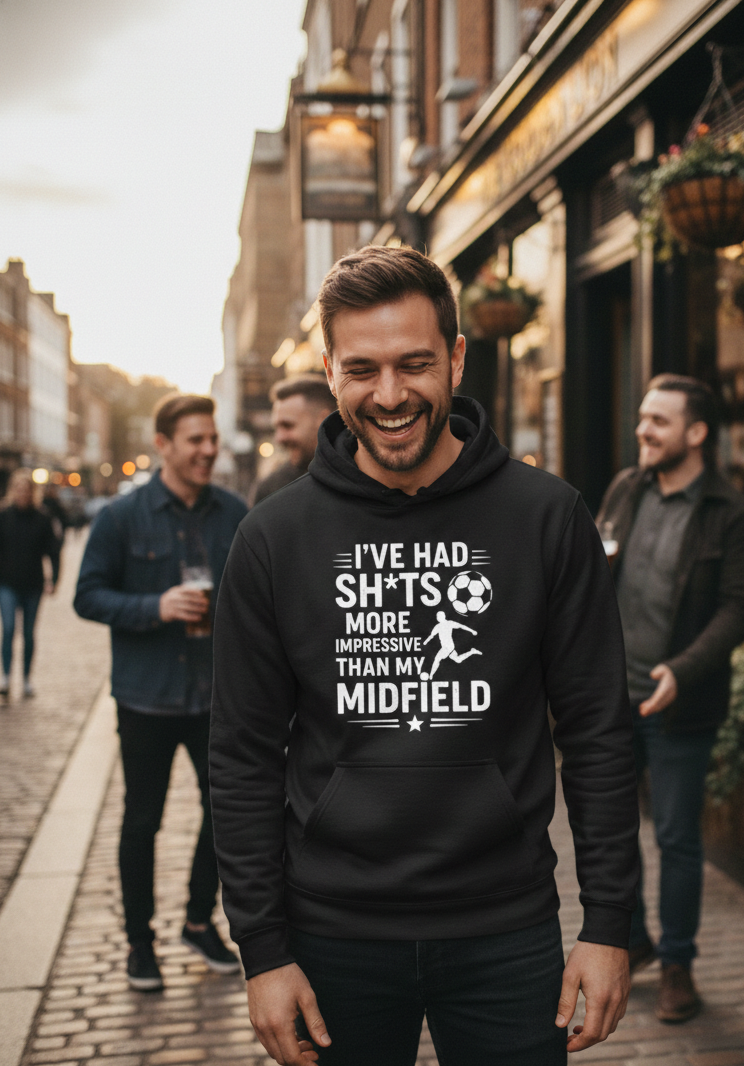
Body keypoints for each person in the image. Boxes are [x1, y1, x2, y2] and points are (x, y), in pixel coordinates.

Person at [209, 246, 640, 1066]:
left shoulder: (546, 516)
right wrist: (262, 949)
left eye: (414, 364)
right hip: (330, 935)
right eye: (362, 369)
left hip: (506, 929)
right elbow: (241, 755)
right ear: (330, 371)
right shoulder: (273, 538)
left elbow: (596, 730)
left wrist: (609, 922)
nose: (391, 394)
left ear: (456, 358)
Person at [595, 374, 744, 1024]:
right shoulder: (625, 487)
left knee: (675, 838)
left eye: (658, 421)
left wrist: (682, 672)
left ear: (696, 433)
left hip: (678, 703)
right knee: (613, 832)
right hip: (612, 697)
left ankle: (678, 966)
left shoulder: (729, 512)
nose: (643, 430)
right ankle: (633, 941)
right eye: (642, 417)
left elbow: (737, 609)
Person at [74, 394, 248, 991]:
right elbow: (87, 596)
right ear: (164, 444)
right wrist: (156, 606)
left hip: (215, 698)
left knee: (225, 818)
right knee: (141, 822)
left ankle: (200, 921)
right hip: (146, 698)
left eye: (211, 439)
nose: (207, 450)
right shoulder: (121, 518)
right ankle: (139, 943)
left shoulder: (234, 512)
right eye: (194, 440)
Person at [0, 470, 60, 700]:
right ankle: (5, 676)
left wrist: (53, 580)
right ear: (13, 491)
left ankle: (25, 678)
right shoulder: (4, 517)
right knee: (7, 630)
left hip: (33, 585)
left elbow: (53, 551)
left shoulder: (42, 518)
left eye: (26, 490)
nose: (22, 494)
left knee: (28, 633)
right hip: (6, 584)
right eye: (18, 489)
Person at [249, 374, 337, 506]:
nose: (279, 438)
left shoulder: (363, 478)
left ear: (323, 420)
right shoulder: (270, 490)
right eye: (277, 428)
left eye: (287, 425)